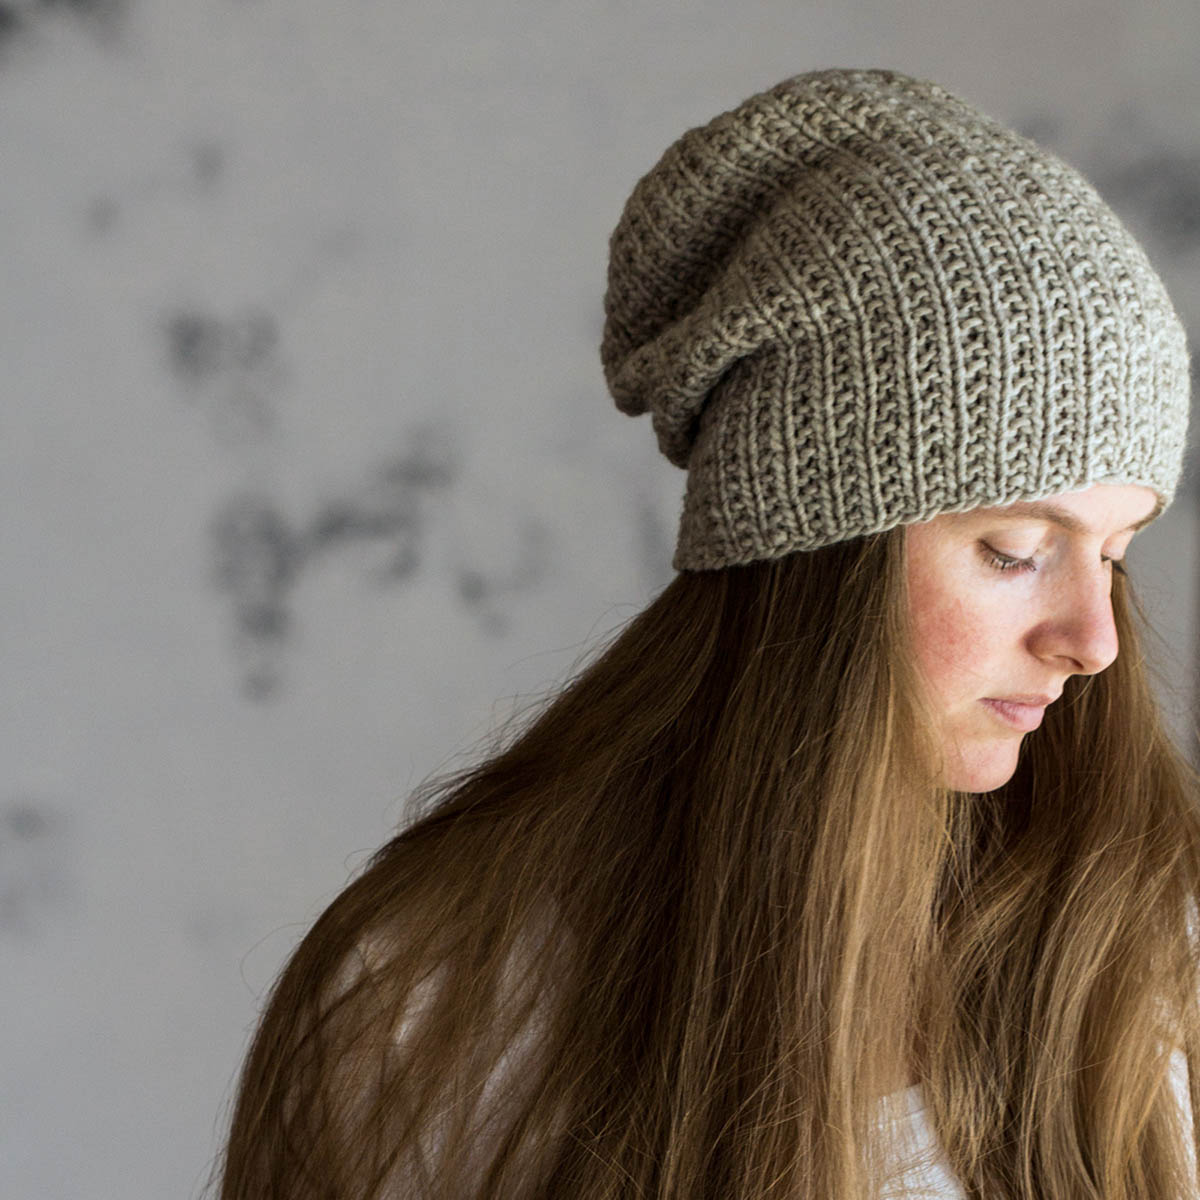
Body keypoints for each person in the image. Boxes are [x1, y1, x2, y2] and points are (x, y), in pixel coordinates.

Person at [211, 68, 1200, 1198]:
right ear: (813, 553)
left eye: (1115, 557)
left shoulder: (1156, 969)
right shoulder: (438, 1002)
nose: (1093, 640)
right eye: (1015, 550)